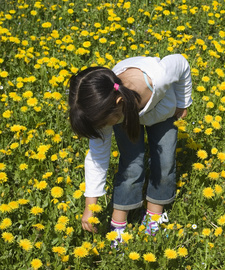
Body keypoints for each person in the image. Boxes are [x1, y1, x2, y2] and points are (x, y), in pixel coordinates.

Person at [68, 54, 193, 243]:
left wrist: (184, 102)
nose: (102, 130)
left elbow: (181, 63)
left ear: (118, 104)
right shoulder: (106, 108)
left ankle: (154, 216)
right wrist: (90, 206)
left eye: (102, 126)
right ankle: (118, 226)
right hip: (125, 115)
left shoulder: (159, 77)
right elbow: (97, 157)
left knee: (165, 161)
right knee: (131, 164)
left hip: (162, 112)